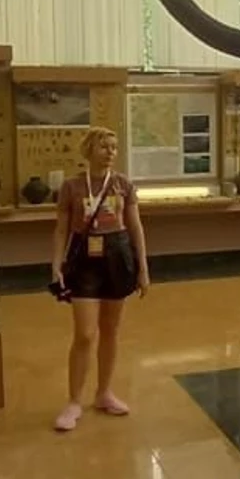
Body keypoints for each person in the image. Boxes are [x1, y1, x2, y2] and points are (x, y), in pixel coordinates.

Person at [50, 127, 149, 433]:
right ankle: (73, 401)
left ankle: (104, 392)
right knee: (84, 333)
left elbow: (135, 227)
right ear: (89, 150)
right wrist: (56, 264)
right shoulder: (72, 187)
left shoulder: (123, 185)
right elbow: (61, 229)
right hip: (84, 261)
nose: (110, 153)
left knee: (111, 330)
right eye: (104, 147)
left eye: (114, 147)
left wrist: (143, 268)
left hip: (117, 256)